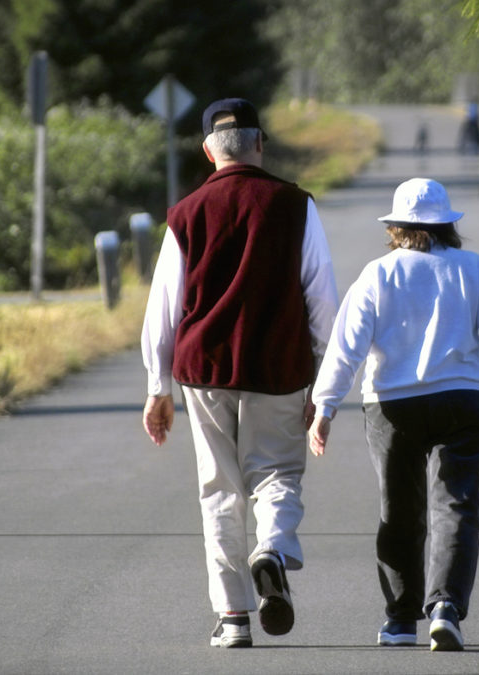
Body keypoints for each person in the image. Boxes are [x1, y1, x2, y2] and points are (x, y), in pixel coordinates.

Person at [141, 97, 338, 648]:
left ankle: (233, 619)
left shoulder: (185, 213)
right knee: (276, 472)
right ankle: (271, 547)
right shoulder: (295, 205)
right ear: (260, 143)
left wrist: (157, 387)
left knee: (219, 489)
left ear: (209, 150)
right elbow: (322, 298)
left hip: (203, 371)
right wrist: (325, 384)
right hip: (278, 366)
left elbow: (163, 306)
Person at [307, 178, 479, 651]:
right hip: (463, 400)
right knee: (457, 508)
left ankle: (401, 621)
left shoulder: (378, 273)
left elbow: (346, 347)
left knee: (399, 513)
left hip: (393, 406)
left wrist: (325, 407)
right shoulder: (473, 269)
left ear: (396, 227)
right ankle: (445, 608)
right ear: (448, 224)